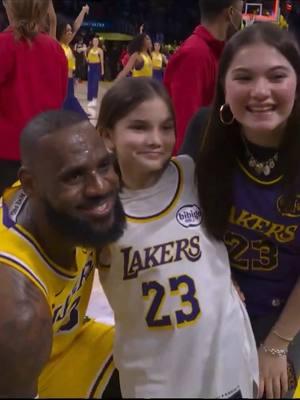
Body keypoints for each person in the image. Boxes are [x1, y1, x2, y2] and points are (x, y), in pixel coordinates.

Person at [96, 77, 258, 398]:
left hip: (224, 357)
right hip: (154, 371)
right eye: (139, 127)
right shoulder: (96, 210)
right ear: (107, 135)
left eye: (166, 127)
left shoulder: (191, 172)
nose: (156, 139)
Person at [184, 23, 300, 398]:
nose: (260, 92)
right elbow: (181, 217)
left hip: (286, 315)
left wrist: (277, 344)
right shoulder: (204, 129)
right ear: (224, 86)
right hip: (214, 302)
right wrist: (212, 270)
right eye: (244, 77)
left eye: (277, 76)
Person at [0, 110, 126, 398]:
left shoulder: (55, 198)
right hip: (23, 374)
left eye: (104, 166)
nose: (99, 186)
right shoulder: (18, 312)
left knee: (173, 352)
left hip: (67, 342)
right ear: (31, 184)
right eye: (75, 176)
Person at [0, 0, 68, 196]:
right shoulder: (56, 49)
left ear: (8, 6)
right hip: (43, 155)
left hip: (5, 154)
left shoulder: (4, 44)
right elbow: (60, 99)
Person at [164, 0, 244, 154]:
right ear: (231, 13)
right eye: (241, 11)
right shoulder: (195, 55)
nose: (243, 18)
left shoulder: (218, 52)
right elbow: (186, 131)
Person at [56, 5, 89, 118]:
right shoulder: (55, 45)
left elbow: (76, 26)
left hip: (69, 84)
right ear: (60, 31)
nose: (70, 32)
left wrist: (83, 11)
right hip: (60, 85)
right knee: (80, 117)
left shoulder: (66, 45)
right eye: (67, 31)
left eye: (70, 30)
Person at [86, 36, 104, 108]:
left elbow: (102, 61)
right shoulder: (90, 49)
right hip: (90, 67)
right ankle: (90, 99)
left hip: (97, 67)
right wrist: (88, 66)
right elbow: (88, 59)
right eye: (94, 41)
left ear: (98, 42)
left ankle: (94, 99)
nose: (95, 42)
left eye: (96, 41)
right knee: (90, 83)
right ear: (92, 42)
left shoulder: (100, 50)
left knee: (95, 83)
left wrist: (102, 70)